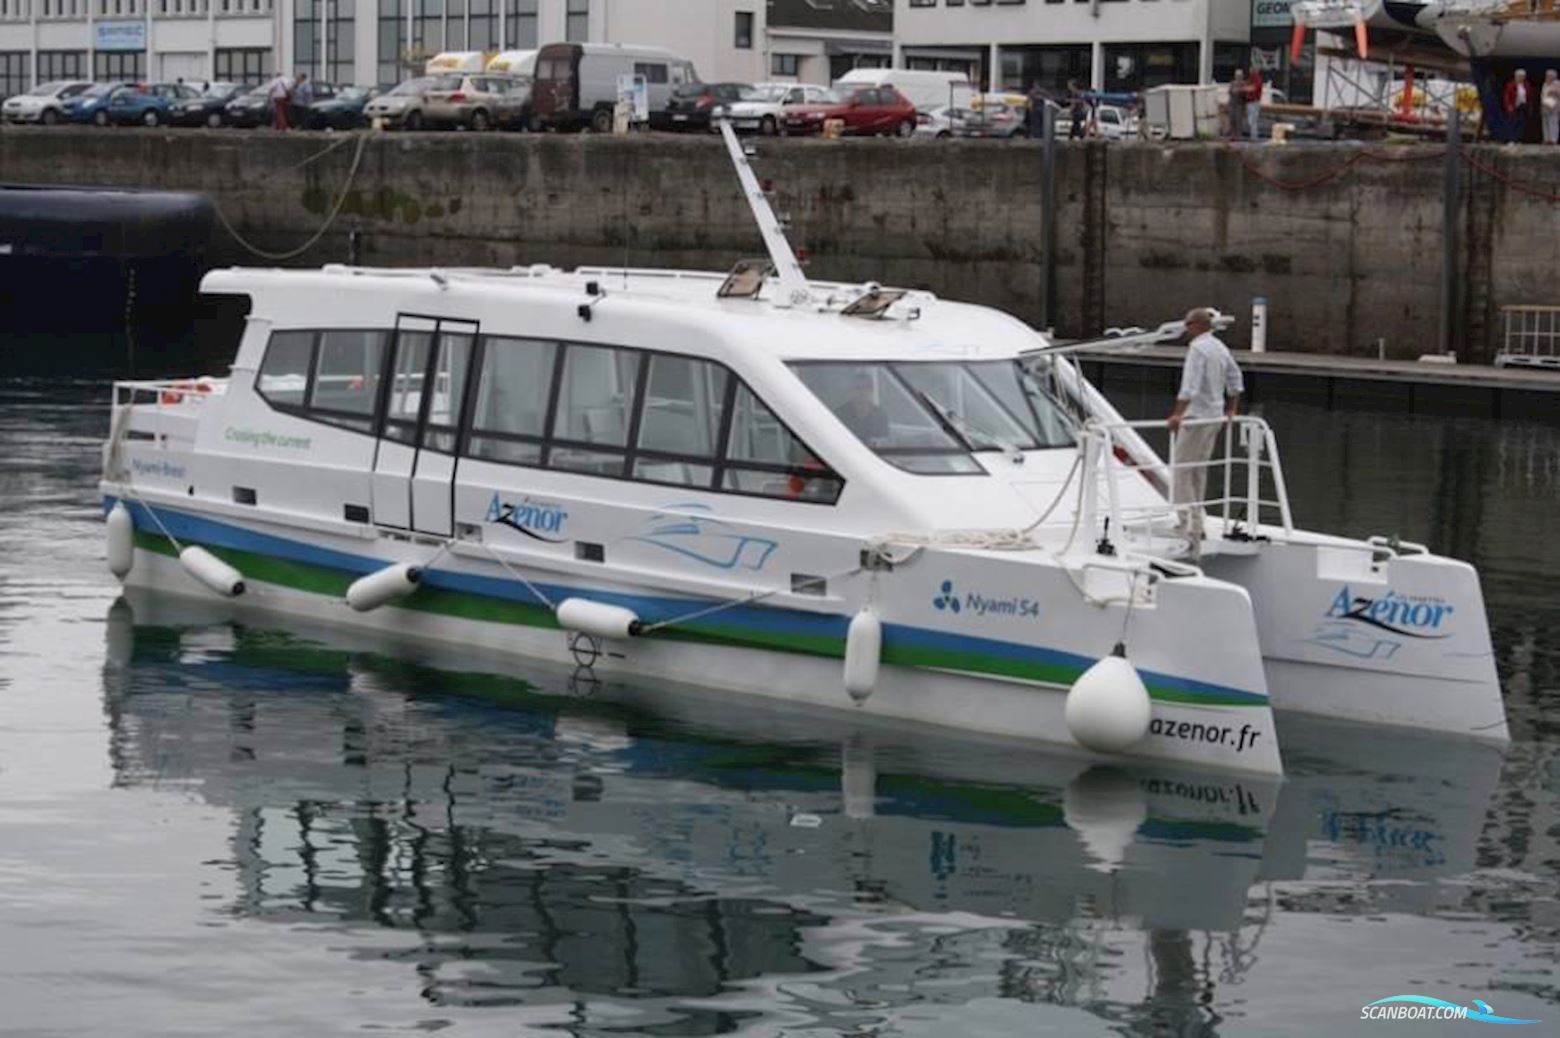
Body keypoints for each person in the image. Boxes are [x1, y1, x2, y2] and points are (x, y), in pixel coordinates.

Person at [1166, 308, 1244, 540]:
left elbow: (1190, 385)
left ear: (1197, 324)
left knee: (1181, 469)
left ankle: (1186, 522)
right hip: (1215, 416)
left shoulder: (1197, 348)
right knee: (1198, 470)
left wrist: (1177, 414)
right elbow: (1235, 378)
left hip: (1196, 417)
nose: (1186, 328)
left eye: (1188, 324)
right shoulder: (1220, 347)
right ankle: (1198, 523)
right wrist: (1231, 408)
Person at [835, 370, 889, 444]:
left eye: (866, 388)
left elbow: (883, 442)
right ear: (851, 391)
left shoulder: (880, 415)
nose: (862, 392)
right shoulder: (840, 415)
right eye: (858, 388)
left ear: (871, 390)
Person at [1504, 69, 1532, 142]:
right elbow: (1507, 97)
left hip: (1523, 106)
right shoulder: (1511, 85)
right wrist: (1509, 106)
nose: (1521, 78)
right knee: (1513, 123)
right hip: (1514, 106)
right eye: (1519, 76)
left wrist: (1529, 106)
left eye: (1522, 76)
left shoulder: (1526, 85)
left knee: (1522, 123)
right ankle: (1512, 139)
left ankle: (1520, 139)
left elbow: (1529, 96)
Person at [1245, 63, 1264, 142]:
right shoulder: (1251, 79)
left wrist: (1244, 89)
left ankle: (1254, 137)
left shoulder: (1257, 79)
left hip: (1254, 101)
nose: (1250, 71)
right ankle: (1252, 136)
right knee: (1250, 120)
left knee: (1253, 120)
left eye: (1252, 69)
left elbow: (1254, 88)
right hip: (1249, 101)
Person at [1228, 70, 1247, 140]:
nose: (1238, 77)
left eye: (1239, 76)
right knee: (1232, 119)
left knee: (1238, 120)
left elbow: (1245, 94)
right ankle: (1232, 135)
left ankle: (1239, 135)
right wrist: (1234, 91)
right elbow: (1230, 91)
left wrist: (1240, 91)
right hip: (1232, 104)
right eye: (1237, 75)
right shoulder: (1232, 83)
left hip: (1240, 104)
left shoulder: (1244, 84)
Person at [1542, 69, 1560, 145]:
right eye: (1547, 76)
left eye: (1549, 76)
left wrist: (1555, 92)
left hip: (1554, 107)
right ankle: (1547, 139)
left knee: (1553, 123)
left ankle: (1553, 139)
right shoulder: (1545, 84)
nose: (1547, 77)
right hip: (1545, 107)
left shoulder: (1557, 84)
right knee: (1545, 123)